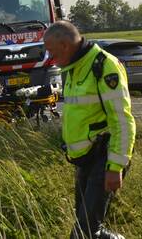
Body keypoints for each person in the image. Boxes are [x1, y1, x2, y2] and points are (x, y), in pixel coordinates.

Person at [44, 21, 134, 239]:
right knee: (91, 231)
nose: (51, 59)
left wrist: (115, 167)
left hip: (105, 158)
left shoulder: (103, 67)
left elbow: (122, 121)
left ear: (65, 45)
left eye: (52, 52)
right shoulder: (74, 68)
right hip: (85, 160)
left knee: (83, 233)